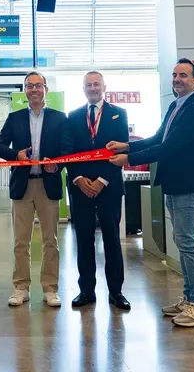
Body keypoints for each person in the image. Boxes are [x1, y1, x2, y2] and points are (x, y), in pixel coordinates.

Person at [107, 58, 194, 327]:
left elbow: (169, 148)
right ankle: (189, 298)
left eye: (184, 75)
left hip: (188, 183)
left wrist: (127, 160)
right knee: (182, 242)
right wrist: (126, 146)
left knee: (188, 243)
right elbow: (158, 138)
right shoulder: (177, 105)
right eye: (175, 74)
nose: (178, 79)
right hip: (175, 182)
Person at [0, 71, 66, 308]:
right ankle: (21, 287)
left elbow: (69, 149)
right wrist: (16, 155)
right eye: (29, 86)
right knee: (20, 241)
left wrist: (59, 163)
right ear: (25, 90)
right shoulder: (14, 118)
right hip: (23, 185)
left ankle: (50, 289)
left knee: (50, 241)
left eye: (38, 85)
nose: (34, 89)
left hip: (49, 184)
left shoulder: (59, 118)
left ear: (45, 89)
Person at [62, 71, 130, 311]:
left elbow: (120, 152)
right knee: (84, 240)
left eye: (96, 84)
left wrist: (102, 180)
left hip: (109, 187)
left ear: (104, 87)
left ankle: (116, 291)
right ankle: (86, 290)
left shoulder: (118, 114)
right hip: (80, 188)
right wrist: (79, 179)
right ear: (83, 88)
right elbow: (68, 151)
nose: (92, 88)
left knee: (112, 239)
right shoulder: (73, 116)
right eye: (88, 84)